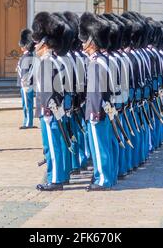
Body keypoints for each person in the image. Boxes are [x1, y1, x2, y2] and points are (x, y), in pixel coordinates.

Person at [32, 12, 71, 191]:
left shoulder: (47, 62)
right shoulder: (53, 60)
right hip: (56, 109)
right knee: (58, 143)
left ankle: (55, 179)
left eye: (37, 41)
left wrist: (46, 110)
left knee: (54, 147)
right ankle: (60, 175)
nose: (35, 45)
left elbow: (47, 90)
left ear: (44, 43)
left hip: (50, 110)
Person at [79, 12, 115, 191]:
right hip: (102, 108)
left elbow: (96, 92)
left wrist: (93, 112)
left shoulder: (96, 63)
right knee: (103, 145)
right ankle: (106, 176)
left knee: (99, 148)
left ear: (92, 42)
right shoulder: (103, 60)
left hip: (97, 110)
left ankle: (103, 180)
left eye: (85, 40)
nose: (82, 44)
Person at [17, 28, 37, 129]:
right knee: (26, 104)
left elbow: (27, 72)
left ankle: (28, 123)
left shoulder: (27, 57)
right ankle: (27, 121)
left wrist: (25, 82)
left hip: (26, 84)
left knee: (27, 105)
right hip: (25, 84)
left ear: (25, 46)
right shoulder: (26, 56)